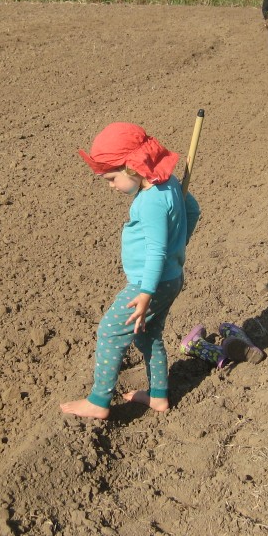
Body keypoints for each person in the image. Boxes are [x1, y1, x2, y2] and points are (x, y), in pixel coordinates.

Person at [60, 122, 201, 420]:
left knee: (110, 332)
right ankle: (158, 396)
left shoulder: (148, 203)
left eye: (111, 178)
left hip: (148, 284)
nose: (110, 186)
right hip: (171, 278)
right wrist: (181, 242)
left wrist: (146, 292)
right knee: (148, 336)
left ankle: (99, 401)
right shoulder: (170, 182)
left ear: (132, 167)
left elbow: (155, 252)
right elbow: (192, 210)